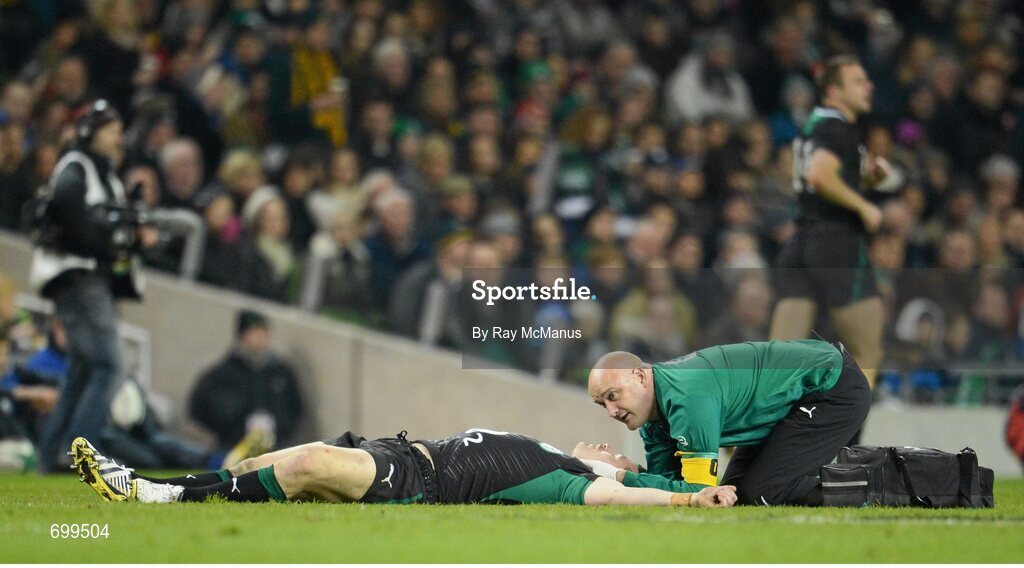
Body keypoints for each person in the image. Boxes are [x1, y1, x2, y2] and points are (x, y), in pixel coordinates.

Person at [70, 429, 737, 508]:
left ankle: (152, 496)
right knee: (259, 463)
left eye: (616, 451)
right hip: (400, 449)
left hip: (417, 482)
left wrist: (688, 498)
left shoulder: (578, 481)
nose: (607, 442)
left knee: (303, 464)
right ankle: (144, 479)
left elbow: (636, 494)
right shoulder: (554, 453)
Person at [28, 100, 158, 472]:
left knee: (83, 370)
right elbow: (70, 217)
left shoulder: (105, 175)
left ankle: (50, 458)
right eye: (110, 130)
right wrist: (115, 228)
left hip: (86, 278)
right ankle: (81, 456)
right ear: (90, 131)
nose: (118, 138)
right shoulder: (76, 167)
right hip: (77, 275)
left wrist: (130, 231)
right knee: (112, 367)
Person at [587, 340, 870, 506]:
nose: (611, 411)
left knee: (764, 491)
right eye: (603, 404)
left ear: (639, 376)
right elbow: (674, 490)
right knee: (735, 495)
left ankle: (888, 482)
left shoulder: (687, 399)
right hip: (795, 397)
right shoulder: (652, 418)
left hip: (832, 386)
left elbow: (696, 488)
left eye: (613, 396)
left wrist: (617, 476)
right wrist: (634, 470)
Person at [770, 55, 886, 387]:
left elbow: (819, 181)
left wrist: (866, 180)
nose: (869, 86)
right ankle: (847, 437)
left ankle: (743, 436)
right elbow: (820, 175)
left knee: (778, 359)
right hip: (837, 245)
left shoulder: (814, 124)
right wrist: (864, 206)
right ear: (833, 91)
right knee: (867, 354)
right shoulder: (838, 127)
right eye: (858, 81)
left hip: (802, 239)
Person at [188, 310, 304, 454]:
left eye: (264, 334)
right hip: (231, 447)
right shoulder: (223, 373)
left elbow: (295, 407)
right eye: (255, 334)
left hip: (275, 448)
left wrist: (279, 430)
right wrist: (232, 428)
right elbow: (199, 407)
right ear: (242, 336)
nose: (261, 340)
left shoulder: (281, 372)